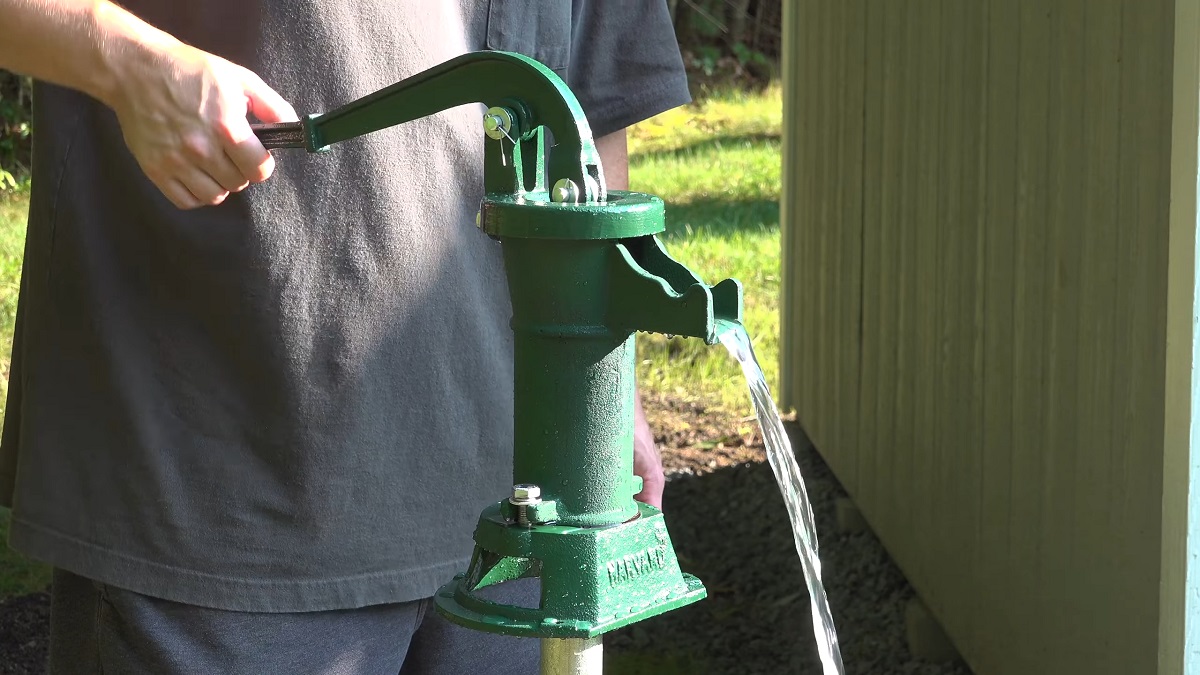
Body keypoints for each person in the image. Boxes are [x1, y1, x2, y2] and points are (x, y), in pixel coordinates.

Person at [0, 1, 692, 672]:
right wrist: (130, 63)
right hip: (221, 476)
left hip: (522, 489)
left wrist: (605, 379)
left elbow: (591, 104)